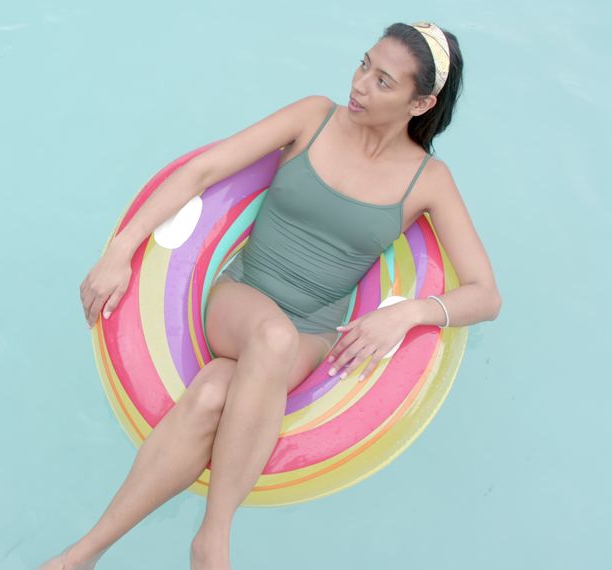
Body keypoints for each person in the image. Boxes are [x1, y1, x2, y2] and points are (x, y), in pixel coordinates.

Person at [43, 22, 502, 570]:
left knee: (216, 391)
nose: (359, 85)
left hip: (314, 331)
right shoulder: (314, 117)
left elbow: (486, 294)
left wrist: (412, 312)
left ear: (420, 101)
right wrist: (120, 249)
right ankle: (213, 540)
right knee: (270, 335)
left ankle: (80, 557)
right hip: (243, 297)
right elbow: (203, 171)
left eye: (383, 82)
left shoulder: (428, 180)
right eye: (363, 65)